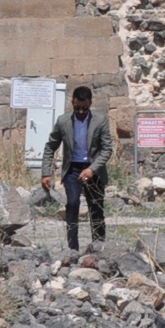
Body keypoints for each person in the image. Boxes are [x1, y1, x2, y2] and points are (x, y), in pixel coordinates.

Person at [40, 86, 112, 250]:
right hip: (72, 169)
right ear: (72, 102)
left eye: (85, 108)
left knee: (96, 208)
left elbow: (107, 149)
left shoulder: (100, 121)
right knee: (72, 205)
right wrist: (46, 172)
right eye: (77, 107)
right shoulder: (63, 121)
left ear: (90, 104)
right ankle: (73, 248)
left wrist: (92, 170)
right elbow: (50, 146)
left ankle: (98, 246)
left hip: (94, 170)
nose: (81, 111)